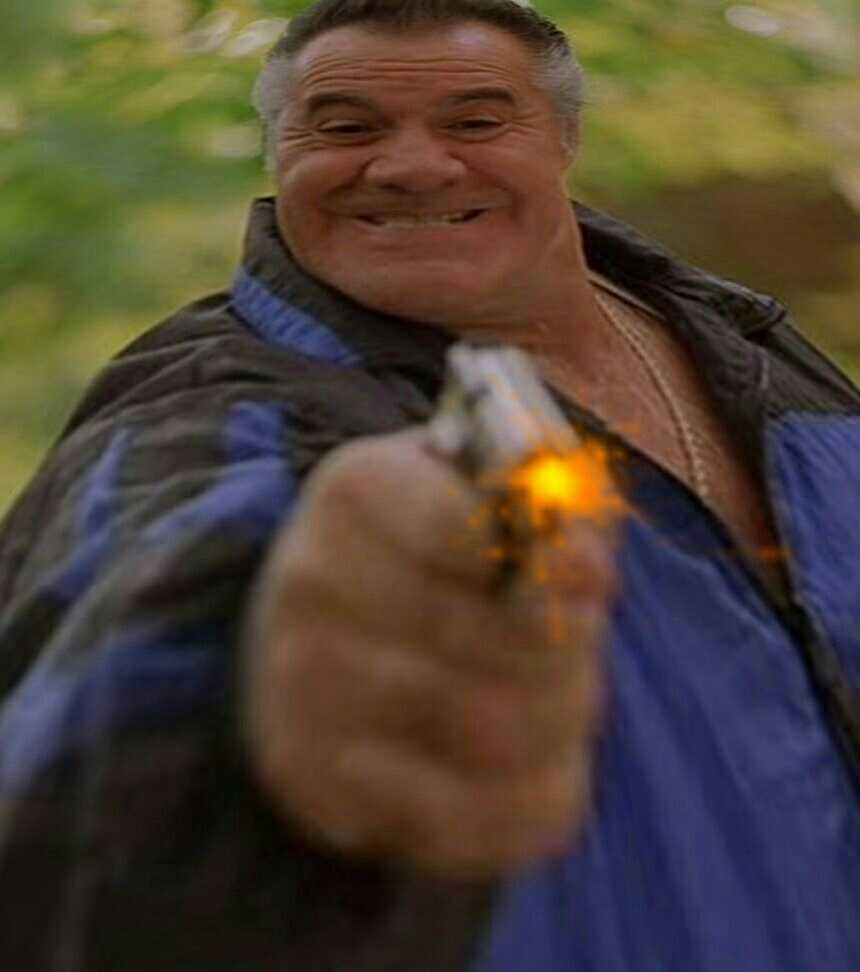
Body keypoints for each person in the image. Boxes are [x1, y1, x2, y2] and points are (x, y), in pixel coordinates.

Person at [1, 0, 859, 968]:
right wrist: (256, 711)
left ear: (563, 139)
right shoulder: (203, 418)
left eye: (475, 120)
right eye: (344, 127)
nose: (412, 164)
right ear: (278, 154)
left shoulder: (755, 353)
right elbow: (87, 790)